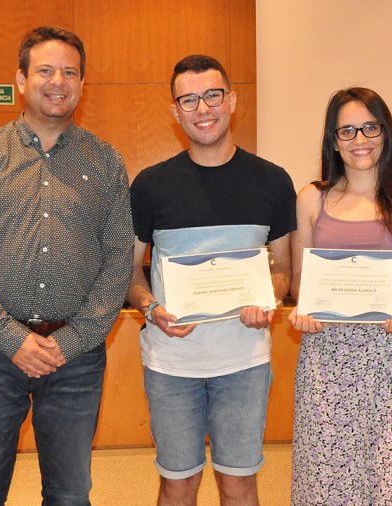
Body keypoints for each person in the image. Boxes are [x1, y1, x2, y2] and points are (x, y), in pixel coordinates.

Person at [0, 26, 134, 505]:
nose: (58, 81)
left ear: (82, 85)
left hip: (77, 356)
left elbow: (118, 258)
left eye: (70, 72)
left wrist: (70, 341)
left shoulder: (105, 161)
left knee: (70, 494)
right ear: (21, 80)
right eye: (45, 70)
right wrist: (11, 338)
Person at [126, 54, 296, 505]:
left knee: (239, 484)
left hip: (244, 363)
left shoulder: (272, 181)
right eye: (189, 99)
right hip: (171, 364)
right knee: (177, 484)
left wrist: (270, 299)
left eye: (212, 95)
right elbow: (130, 271)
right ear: (175, 111)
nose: (203, 108)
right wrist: (150, 308)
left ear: (231, 100)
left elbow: (281, 268)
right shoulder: (150, 185)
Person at [288, 87, 392, 504]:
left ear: (385, 132)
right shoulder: (311, 199)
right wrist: (305, 308)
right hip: (328, 358)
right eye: (348, 131)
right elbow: (300, 280)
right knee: (328, 480)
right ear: (333, 140)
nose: (360, 140)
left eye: (370, 128)